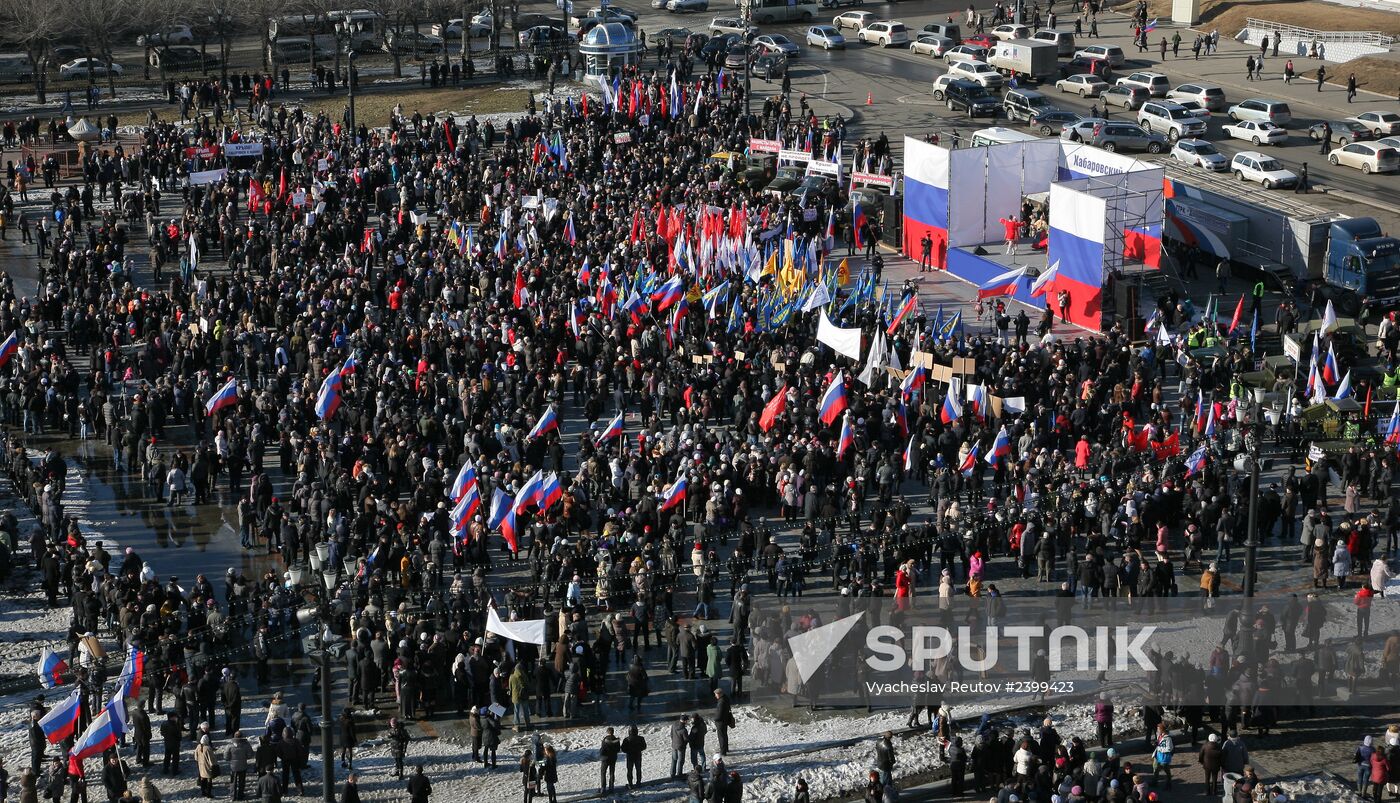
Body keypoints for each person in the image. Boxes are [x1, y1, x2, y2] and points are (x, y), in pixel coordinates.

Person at [598, 727, 621, 792]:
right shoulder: (616, 740)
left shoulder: (605, 740)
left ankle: (603, 788)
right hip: (613, 758)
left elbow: (602, 749)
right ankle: (611, 787)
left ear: (608, 732)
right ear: (613, 732)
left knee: (603, 773)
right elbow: (618, 750)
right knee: (612, 772)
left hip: (605, 758)